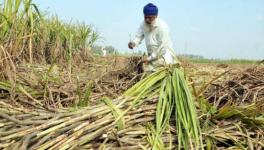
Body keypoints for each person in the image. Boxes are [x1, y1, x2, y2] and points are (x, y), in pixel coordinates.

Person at [128, 3, 179, 71]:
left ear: (156, 16)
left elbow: (163, 48)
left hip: (163, 58)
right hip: (151, 57)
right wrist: (134, 43)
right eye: (145, 17)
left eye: (150, 18)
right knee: (148, 74)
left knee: (159, 76)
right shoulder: (143, 24)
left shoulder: (162, 27)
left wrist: (149, 58)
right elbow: (139, 36)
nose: (147, 20)